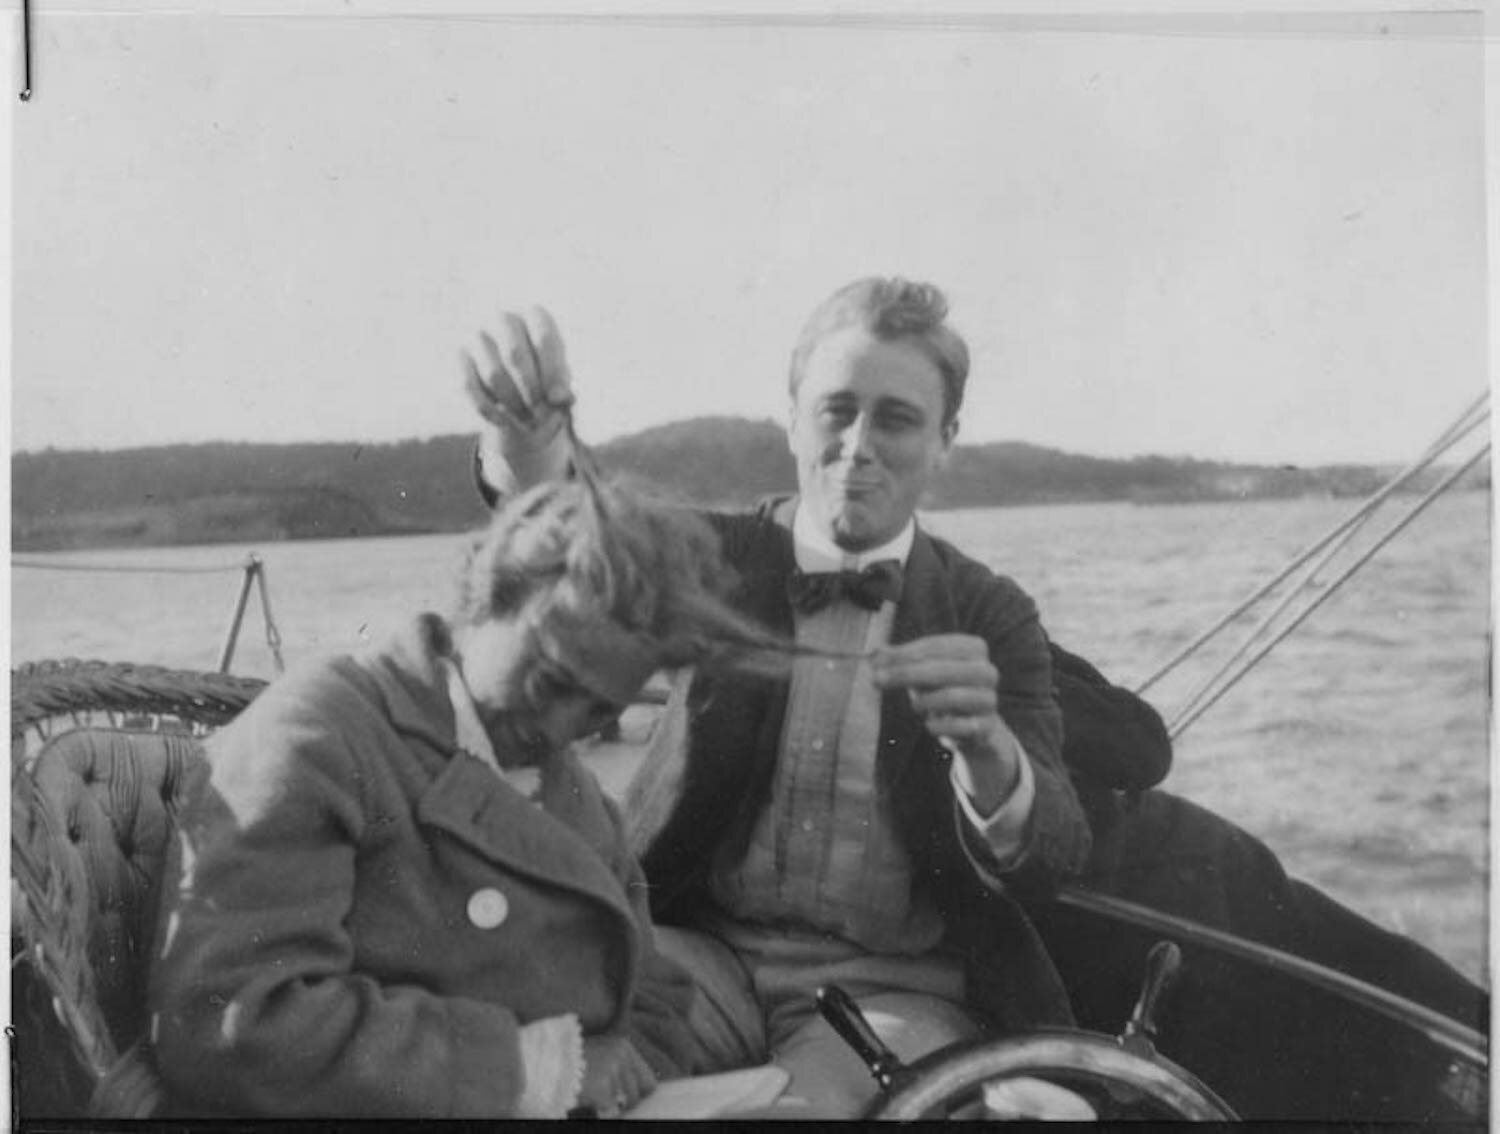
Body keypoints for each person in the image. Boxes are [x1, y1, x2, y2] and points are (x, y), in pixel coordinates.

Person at [467, 278, 1486, 1113]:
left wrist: (987, 752)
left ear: (944, 441)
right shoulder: (723, 559)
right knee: (530, 1070)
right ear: (791, 421)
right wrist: (525, 443)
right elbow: (585, 535)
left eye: (897, 419)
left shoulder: (991, 612)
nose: (859, 445)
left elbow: (1052, 851)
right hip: (697, 957)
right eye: (836, 410)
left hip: (888, 995)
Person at [145, 477, 788, 1118]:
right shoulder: (321, 734)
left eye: (600, 710)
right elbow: (230, 1015)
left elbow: (650, 992)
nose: (561, 728)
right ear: (482, 600)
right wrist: (537, 1070)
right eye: (548, 678)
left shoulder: (574, 795)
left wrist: (624, 1077)